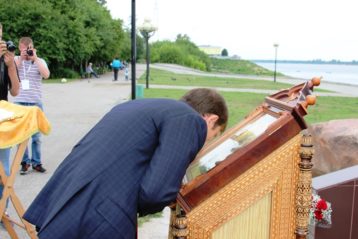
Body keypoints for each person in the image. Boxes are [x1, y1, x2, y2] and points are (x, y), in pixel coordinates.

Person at [23, 88, 228, 239]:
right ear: (210, 119)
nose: (204, 142)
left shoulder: (142, 106)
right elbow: (156, 192)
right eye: (213, 135)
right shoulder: (190, 120)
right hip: (98, 218)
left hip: (67, 202)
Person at [14, 37, 50, 175]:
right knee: (21, 136)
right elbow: (12, 72)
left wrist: (35, 59)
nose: (26, 51)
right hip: (19, 101)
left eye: (28, 48)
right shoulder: (16, 60)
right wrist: (22, 59)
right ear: (19, 48)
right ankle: (24, 162)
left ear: (32, 47)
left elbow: (46, 75)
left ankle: (37, 162)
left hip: (35, 102)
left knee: (36, 136)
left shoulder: (39, 61)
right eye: (23, 49)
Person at [0, 22, 20, 212]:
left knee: (4, 169)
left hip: (2, 117)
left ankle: (1, 211)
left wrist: (11, 65)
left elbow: (15, 91)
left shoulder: (6, 59)